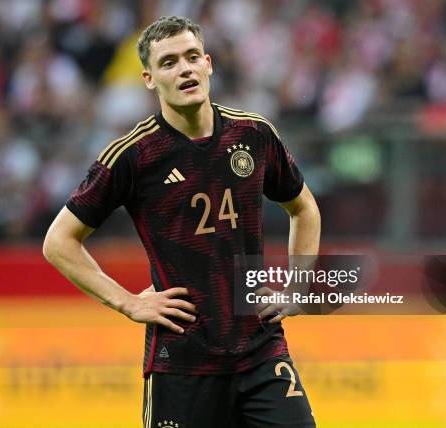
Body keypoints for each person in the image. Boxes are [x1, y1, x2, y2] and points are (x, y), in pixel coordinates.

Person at [43, 16, 320, 428]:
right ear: (150, 79)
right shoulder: (133, 156)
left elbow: (304, 208)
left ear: (208, 64)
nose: (185, 68)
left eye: (192, 57)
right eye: (169, 62)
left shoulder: (253, 134)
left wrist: (299, 288)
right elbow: (58, 242)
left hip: (260, 351)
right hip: (181, 363)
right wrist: (127, 301)